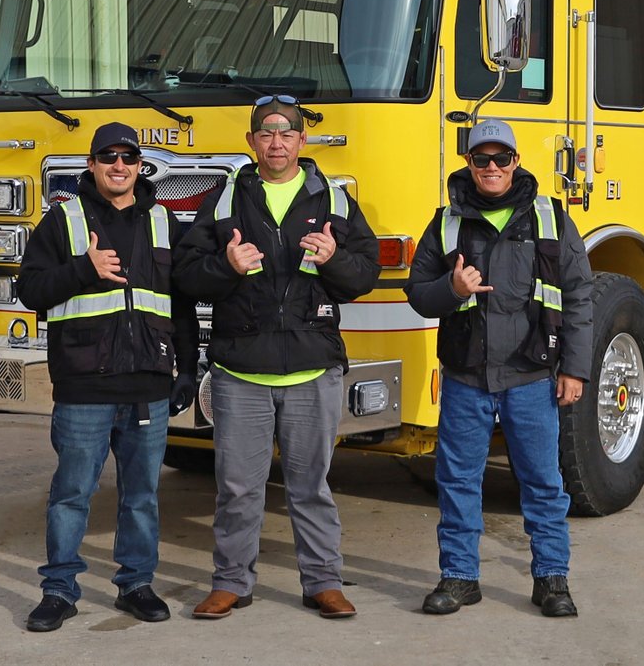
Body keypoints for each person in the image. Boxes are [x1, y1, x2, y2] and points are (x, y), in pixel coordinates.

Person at [174, 95, 379, 620]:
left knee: (311, 488)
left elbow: (365, 276)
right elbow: (186, 276)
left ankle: (324, 583)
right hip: (241, 370)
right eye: (266, 133)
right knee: (238, 488)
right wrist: (225, 265)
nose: (277, 143)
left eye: (287, 133)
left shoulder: (334, 200)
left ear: (302, 140)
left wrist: (334, 259)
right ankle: (230, 583)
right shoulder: (223, 200)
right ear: (251, 142)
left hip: (313, 368)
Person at [405, 118, 593, 618]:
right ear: (468, 163)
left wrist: (574, 368)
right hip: (467, 376)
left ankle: (551, 579)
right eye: (481, 159)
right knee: (457, 481)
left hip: (530, 375)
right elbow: (418, 295)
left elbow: (579, 296)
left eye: (501, 158)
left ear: (516, 161)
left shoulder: (550, 218)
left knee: (543, 483)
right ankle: (460, 578)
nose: (492, 167)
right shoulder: (446, 223)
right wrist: (452, 289)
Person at [17, 121, 199, 632]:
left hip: (147, 386)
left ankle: (136, 584)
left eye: (128, 157)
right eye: (108, 157)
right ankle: (59, 591)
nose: (119, 165)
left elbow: (181, 303)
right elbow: (30, 291)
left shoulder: (164, 221)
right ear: (92, 165)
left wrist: (188, 368)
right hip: (84, 387)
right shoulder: (63, 220)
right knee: (72, 494)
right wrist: (84, 267)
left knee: (141, 496)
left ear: (140, 166)